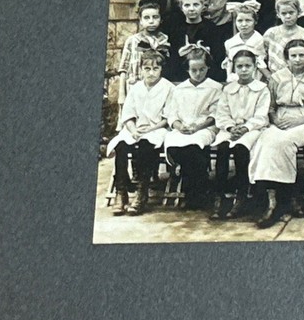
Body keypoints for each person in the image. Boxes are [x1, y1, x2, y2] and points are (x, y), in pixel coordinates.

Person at [247, 40, 304, 224]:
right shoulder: (277, 77)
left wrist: (299, 120)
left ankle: (288, 196)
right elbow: (270, 106)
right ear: (286, 58)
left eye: (302, 55)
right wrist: (275, 120)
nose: (297, 60)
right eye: (293, 56)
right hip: (280, 119)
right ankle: (270, 198)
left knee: (283, 143)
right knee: (263, 142)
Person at [106, 48, 174, 216]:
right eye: (147, 69)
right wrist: (134, 130)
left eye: (155, 68)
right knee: (121, 145)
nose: (151, 73)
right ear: (141, 69)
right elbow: (128, 115)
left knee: (145, 146)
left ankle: (141, 193)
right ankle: (121, 192)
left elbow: (169, 118)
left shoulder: (169, 88)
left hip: (157, 129)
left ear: (161, 69)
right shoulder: (136, 88)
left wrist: (150, 129)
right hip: (135, 128)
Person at [210, 49, 270, 221]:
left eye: (247, 66)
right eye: (240, 66)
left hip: (252, 130)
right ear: (234, 69)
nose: (244, 70)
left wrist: (245, 128)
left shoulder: (262, 89)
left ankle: (242, 195)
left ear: (255, 67)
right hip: (230, 129)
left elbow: (261, 115)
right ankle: (220, 197)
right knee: (222, 149)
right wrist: (230, 127)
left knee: (241, 150)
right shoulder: (228, 89)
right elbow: (221, 113)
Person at [163, 45, 221, 210]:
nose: (198, 73)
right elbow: (172, 114)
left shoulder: (215, 88)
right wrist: (180, 126)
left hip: (204, 128)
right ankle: (196, 189)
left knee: (194, 146)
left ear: (208, 67)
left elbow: (216, 114)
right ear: (187, 69)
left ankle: (193, 192)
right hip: (182, 128)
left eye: (202, 69)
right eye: (194, 70)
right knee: (174, 143)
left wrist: (198, 126)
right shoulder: (179, 89)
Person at [164, 0, 226, 83]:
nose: (191, 9)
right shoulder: (175, 29)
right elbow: (169, 61)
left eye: (196, 5)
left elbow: (219, 58)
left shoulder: (212, 29)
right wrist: (179, 54)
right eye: (187, 5)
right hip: (181, 77)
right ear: (181, 8)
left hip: (207, 78)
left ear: (203, 7)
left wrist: (207, 55)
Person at [117, 0, 170, 102]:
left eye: (155, 17)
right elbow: (123, 69)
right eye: (146, 18)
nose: (151, 21)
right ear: (140, 21)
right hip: (135, 88)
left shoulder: (165, 40)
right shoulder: (132, 41)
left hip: (157, 90)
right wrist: (121, 95)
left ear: (161, 19)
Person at [263, 0, 304, 75]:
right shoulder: (271, 33)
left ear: (298, 12)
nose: (288, 16)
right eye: (284, 13)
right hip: (275, 76)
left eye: (291, 12)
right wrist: (269, 76)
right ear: (278, 14)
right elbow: (261, 56)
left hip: (299, 76)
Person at [222, 1, 269, 82]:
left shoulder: (263, 42)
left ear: (255, 21)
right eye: (240, 21)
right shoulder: (230, 43)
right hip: (235, 82)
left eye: (248, 20)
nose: (244, 24)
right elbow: (230, 65)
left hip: (257, 82)